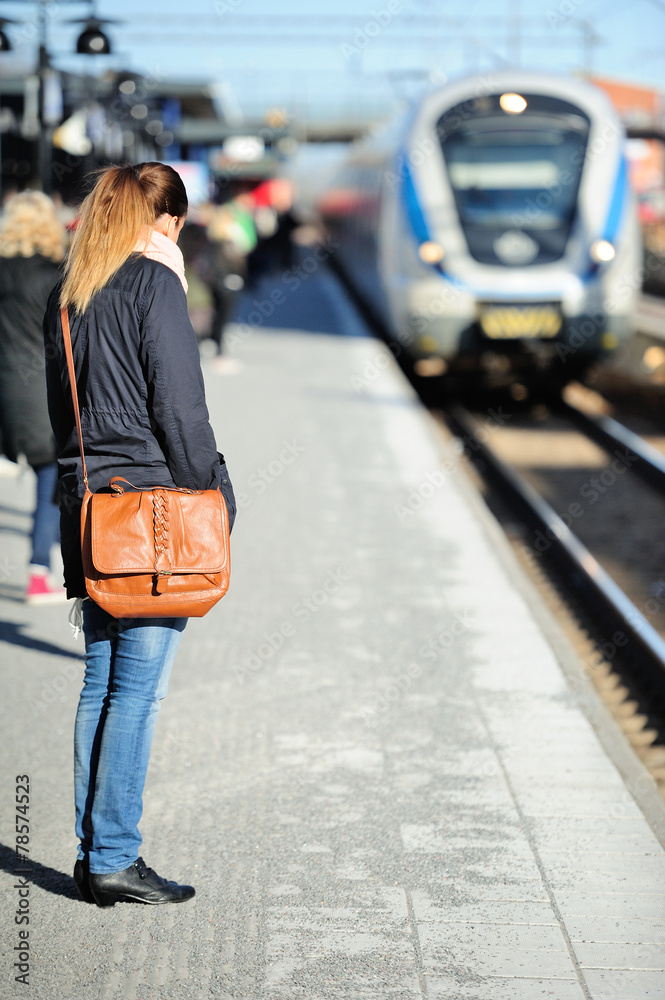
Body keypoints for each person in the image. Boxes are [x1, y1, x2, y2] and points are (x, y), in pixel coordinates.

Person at [43, 162, 236, 907]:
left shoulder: (70, 292)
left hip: (91, 510)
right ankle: (115, 856)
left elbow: (64, 416)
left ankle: (96, 855)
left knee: (101, 685)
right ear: (167, 223)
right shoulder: (155, 284)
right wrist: (211, 495)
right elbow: (182, 409)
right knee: (138, 694)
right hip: (153, 511)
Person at [0, 191, 68, 602]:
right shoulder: (54, 275)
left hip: (5, 391)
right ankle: (40, 569)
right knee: (50, 478)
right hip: (42, 387)